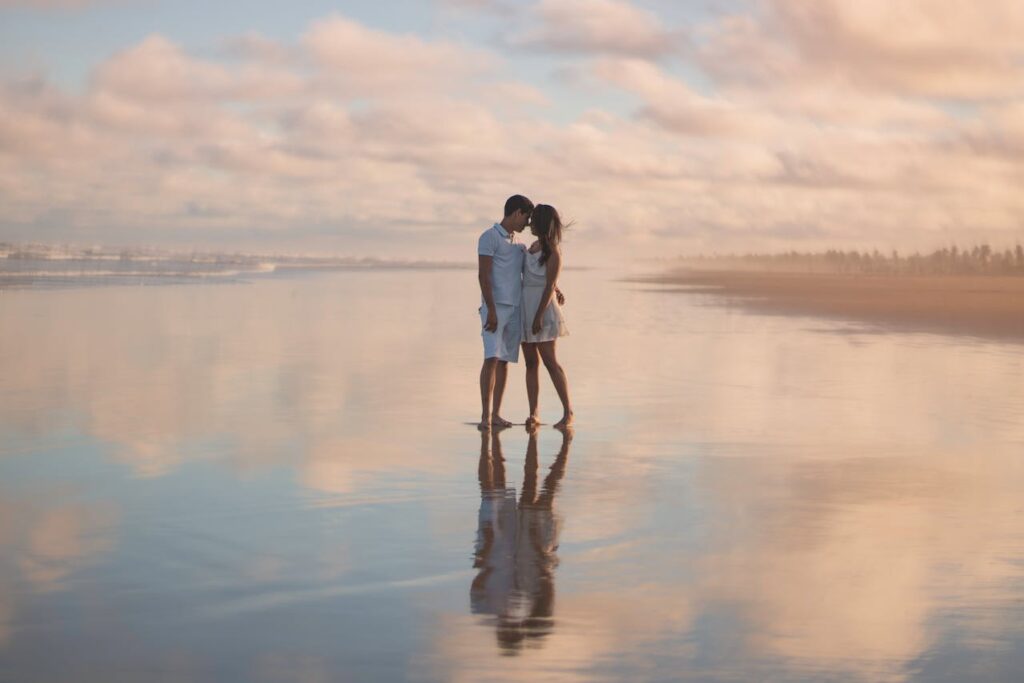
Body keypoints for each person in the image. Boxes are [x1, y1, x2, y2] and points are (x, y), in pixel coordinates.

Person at [478, 195, 533, 431]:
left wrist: (557, 290)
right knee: (491, 358)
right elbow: (484, 275)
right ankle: (485, 417)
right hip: (495, 307)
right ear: (517, 212)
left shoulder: (519, 245)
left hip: (515, 308)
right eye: (526, 217)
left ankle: (496, 414)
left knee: (503, 362)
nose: (527, 223)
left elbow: (528, 273)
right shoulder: (489, 237)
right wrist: (490, 309)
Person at [521, 204, 573, 429]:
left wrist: (538, 317)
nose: (529, 223)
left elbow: (549, 283)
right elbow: (548, 280)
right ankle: (534, 413)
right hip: (526, 305)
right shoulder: (532, 246)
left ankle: (568, 412)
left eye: (533, 220)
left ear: (542, 223)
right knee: (531, 363)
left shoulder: (553, 251)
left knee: (551, 363)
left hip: (542, 309)